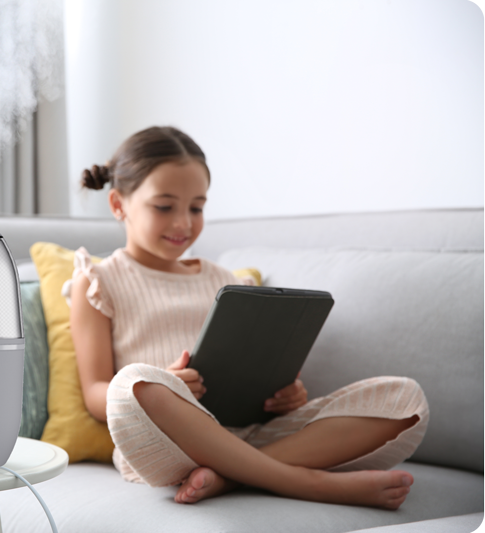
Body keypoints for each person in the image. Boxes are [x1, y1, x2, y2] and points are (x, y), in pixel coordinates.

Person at [64, 126, 428, 508]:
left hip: (251, 433)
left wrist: (285, 396)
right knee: (133, 384)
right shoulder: (97, 281)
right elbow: (95, 394)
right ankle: (307, 483)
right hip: (167, 440)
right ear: (119, 204)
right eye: (164, 206)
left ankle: (230, 477)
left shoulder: (226, 281)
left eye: (197, 207)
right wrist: (166, 384)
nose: (184, 224)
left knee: (406, 400)